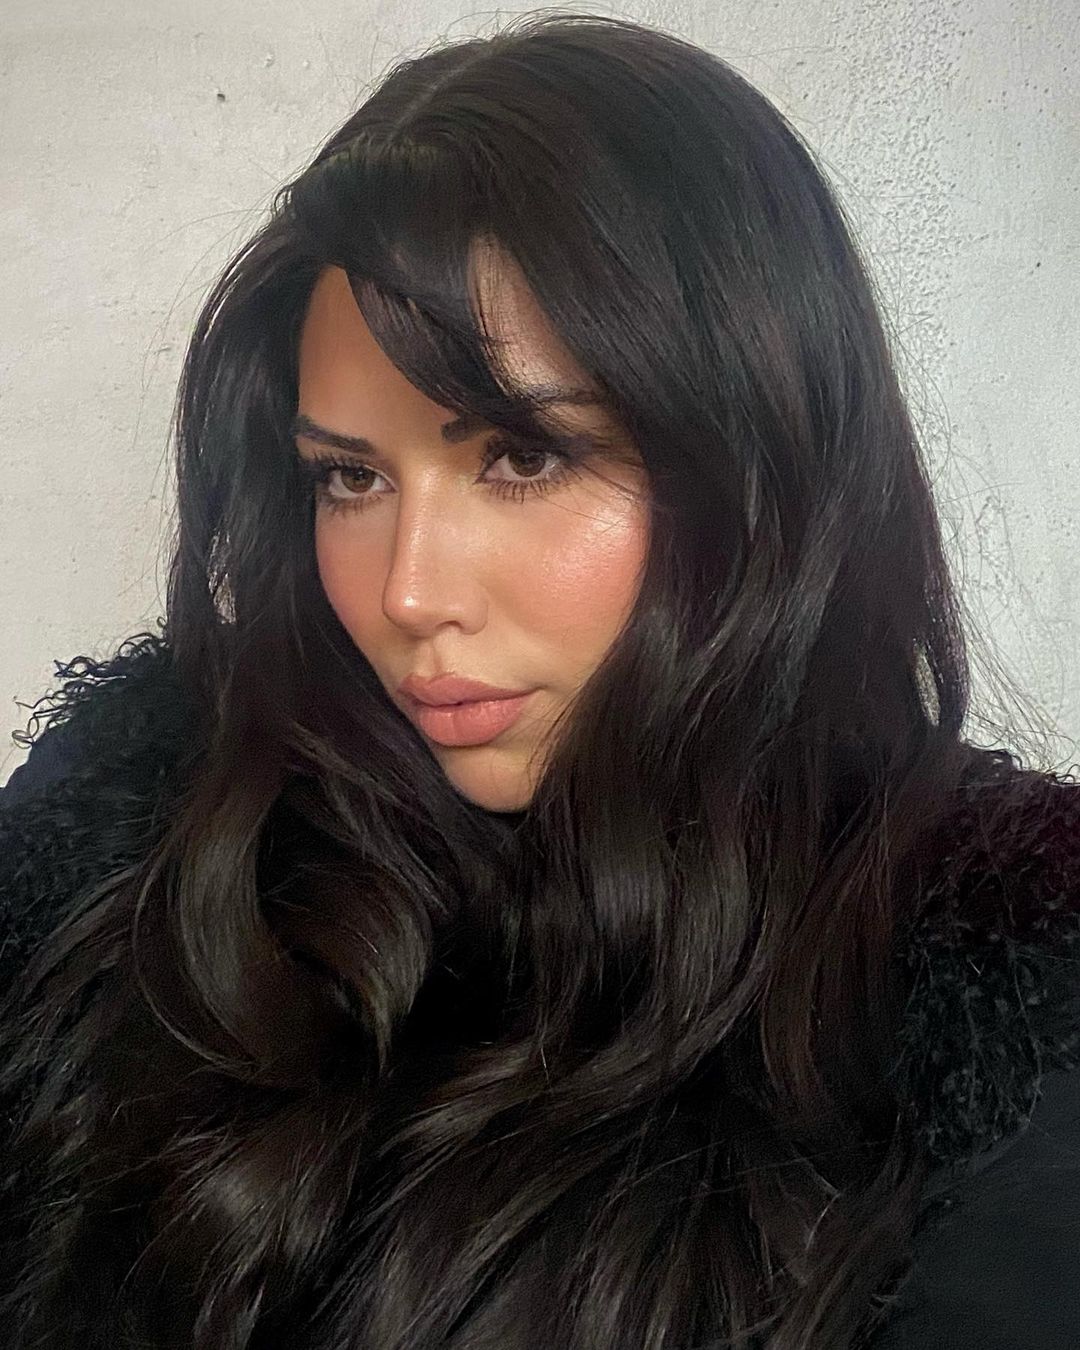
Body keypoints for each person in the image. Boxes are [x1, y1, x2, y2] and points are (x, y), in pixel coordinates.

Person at [2, 12, 1078, 1349]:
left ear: (757, 463)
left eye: (522, 457)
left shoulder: (998, 965)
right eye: (350, 476)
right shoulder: (148, 811)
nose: (408, 593)